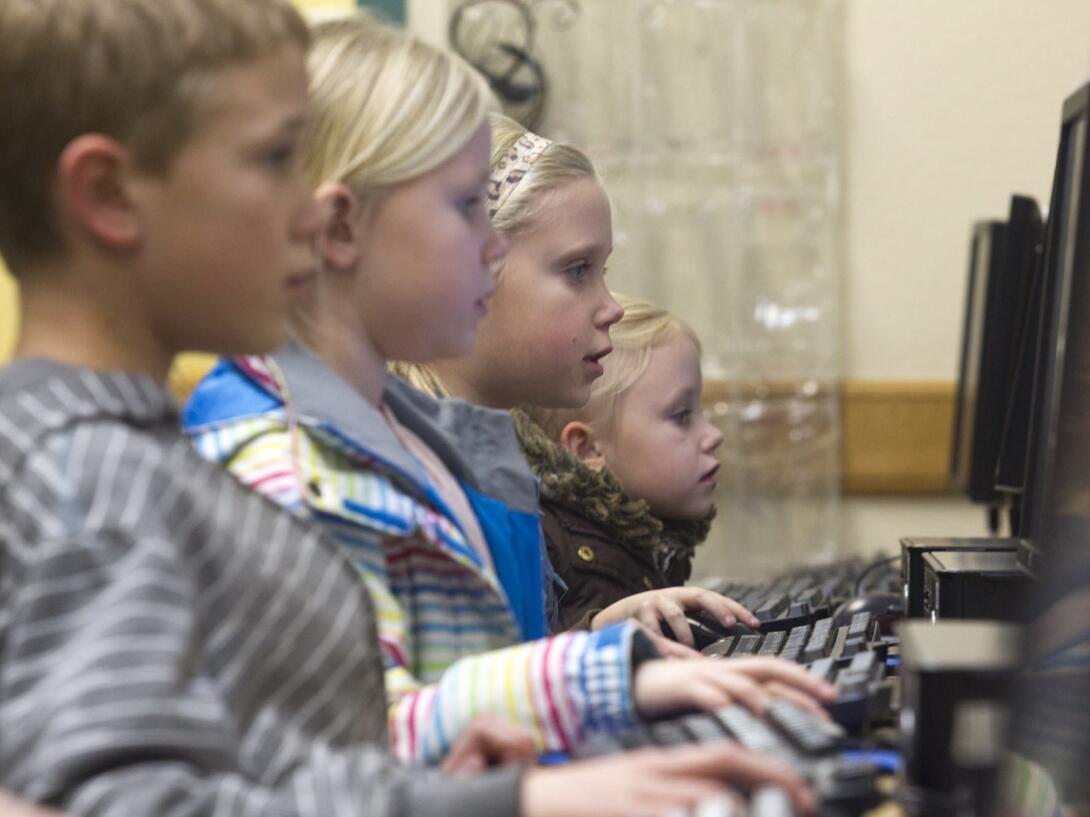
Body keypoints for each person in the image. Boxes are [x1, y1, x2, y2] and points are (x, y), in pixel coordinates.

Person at [0, 2, 817, 814]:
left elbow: (292, 762)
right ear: (108, 197)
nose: (317, 208)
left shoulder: (120, 459)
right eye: (276, 159)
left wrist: (588, 681)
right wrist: (511, 798)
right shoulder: (94, 475)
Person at [393, 115, 759, 644]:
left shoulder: (493, 465)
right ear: (466, 268)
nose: (610, 308)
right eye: (576, 270)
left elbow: (507, 676)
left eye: (601, 272)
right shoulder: (418, 481)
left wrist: (596, 635)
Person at [518, 294, 727, 633]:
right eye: (682, 416)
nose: (713, 435)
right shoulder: (548, 547)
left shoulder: (646, 538)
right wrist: (599, 630)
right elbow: (531, 669)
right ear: (587, 450)